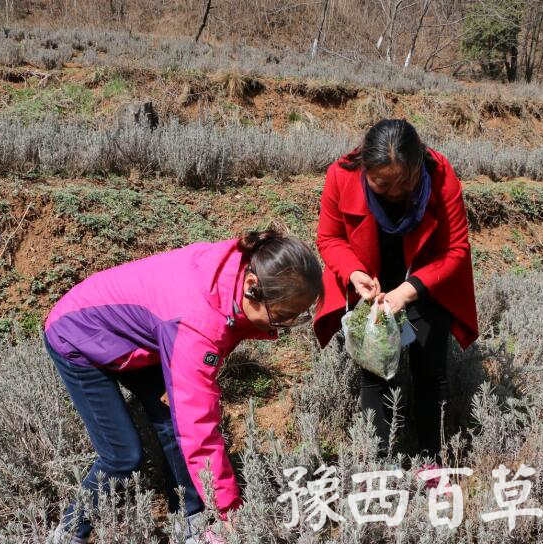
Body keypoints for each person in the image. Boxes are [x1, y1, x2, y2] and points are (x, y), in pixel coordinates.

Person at [44, 231, 323, 544]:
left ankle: (189, 520)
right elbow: (199, 428)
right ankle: (69, 532)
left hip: (139, 337)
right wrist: (228, 510)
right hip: (77, 335)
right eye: (283, 317)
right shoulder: (196, 322)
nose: (281, 327)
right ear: (252, 287)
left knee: (168, 420)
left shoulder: (242, 270)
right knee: (123, 456)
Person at [313, 119, 478, 462]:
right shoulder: (341, 176)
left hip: (425, 283)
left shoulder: (441, 176)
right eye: (381, 184)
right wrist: (354, 273)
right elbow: (329, 238)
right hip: (369, 286)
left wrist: (410, 289)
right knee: (374, 373)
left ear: (419, 162)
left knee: (430, 372)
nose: (395, 192)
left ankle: (433, 458)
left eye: (405, 182)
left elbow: (457, 248)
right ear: (364, 168)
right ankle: (379, 461)